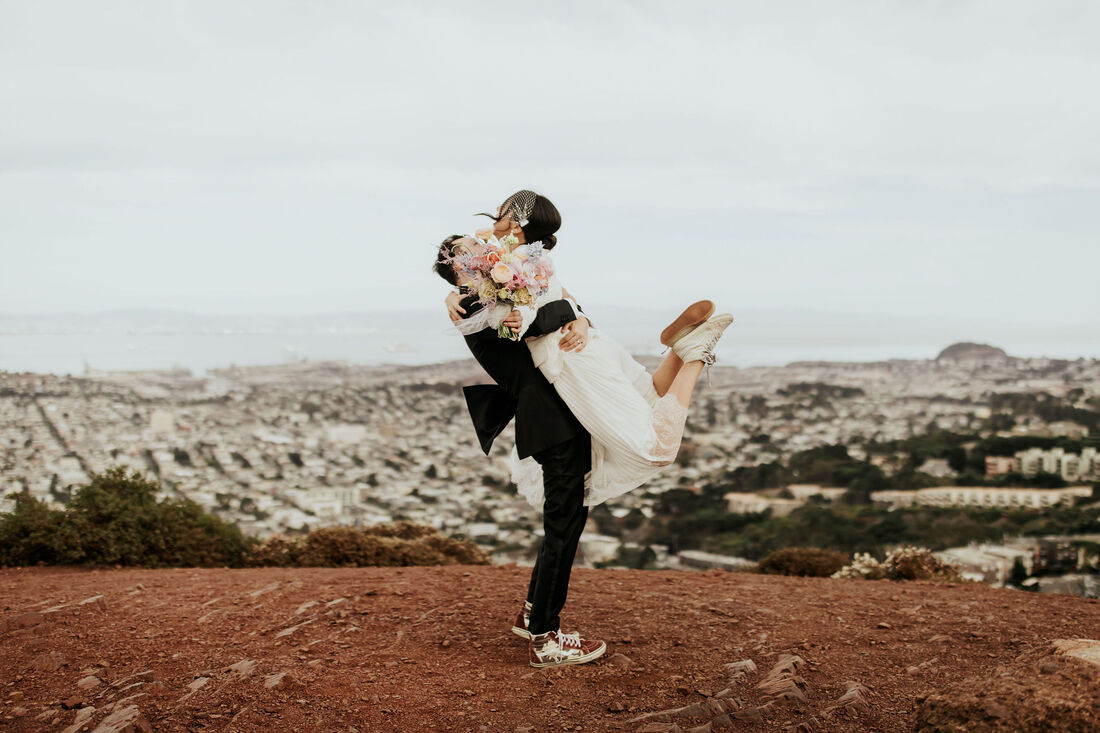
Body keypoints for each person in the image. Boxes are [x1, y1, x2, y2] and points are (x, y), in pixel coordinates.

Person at [434, 191, 607, 668]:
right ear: (462, 267)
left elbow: (553, 305)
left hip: (558, 413)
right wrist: (571, 314)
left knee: (564, 520)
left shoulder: (492, 296)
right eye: (473, 252)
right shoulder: (473, 305)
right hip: (553, 419)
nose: (488, 251)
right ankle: (546, 638)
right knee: (564, 524)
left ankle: (534, 612)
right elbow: (532, 323)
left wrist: (581, 316)